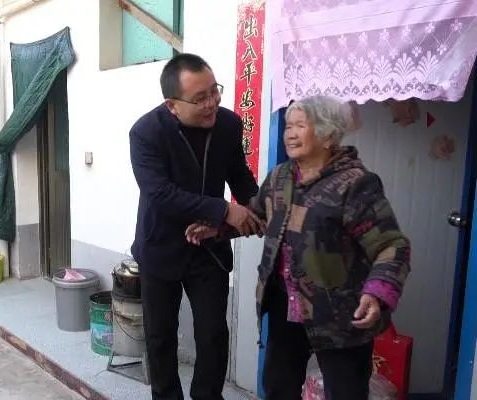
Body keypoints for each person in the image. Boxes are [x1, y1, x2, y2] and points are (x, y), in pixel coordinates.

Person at [186, 95, 411, 400]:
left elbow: (391, 245)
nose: (289, 134)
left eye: (300, 126)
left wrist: (377, 292)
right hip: (286, 303)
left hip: (340, 311)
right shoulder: (281, 177)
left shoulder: (355, 184)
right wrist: (219, 228)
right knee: (279, 386)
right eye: (288, 126)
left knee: (345, 391)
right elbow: (257, 216)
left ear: (328, 135)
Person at [129, 53, 262, 400]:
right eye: (200, 98)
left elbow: (239, 176)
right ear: (172, 105)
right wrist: (223, 210)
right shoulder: (146, 133)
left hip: (209, 249)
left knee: (213, 335)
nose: (211, 103)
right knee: (160, 338)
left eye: (214, 91)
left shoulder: (228, 124)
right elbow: (160, 194)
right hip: (160, 248)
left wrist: (258, 205)